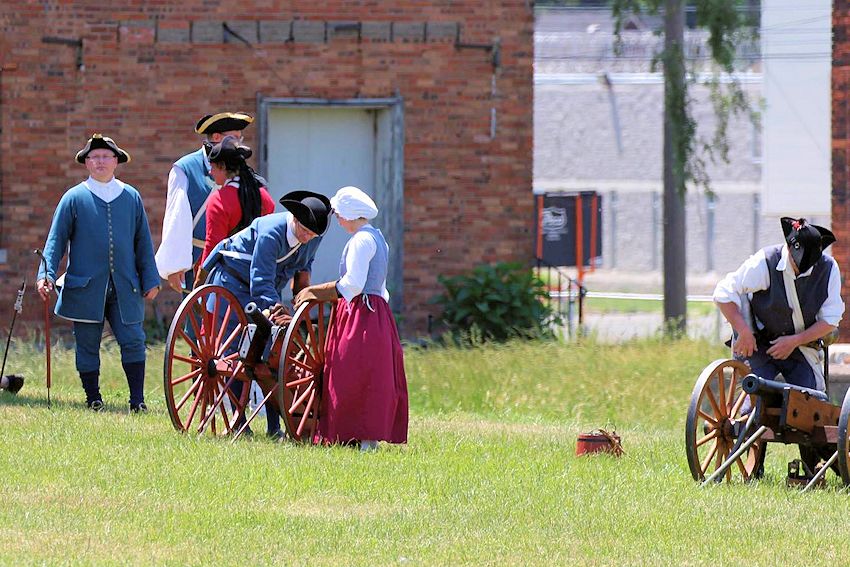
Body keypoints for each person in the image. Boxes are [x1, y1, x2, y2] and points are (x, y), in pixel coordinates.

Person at [36, 134, 160, 412]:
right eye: (94, 157)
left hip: (125, 285)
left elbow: (143, 241)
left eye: (106, 156)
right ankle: (93, 398)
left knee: (134, 340)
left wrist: (151, 279)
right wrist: (44, 274)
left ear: (116, 161)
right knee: (88, 345)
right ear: (86, 163)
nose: (100, 161)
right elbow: (55, 241)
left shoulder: (131, 196)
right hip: (85, 286)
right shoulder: (74, 197)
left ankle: (137, 400)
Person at [200, 190, 332, 437]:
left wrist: (300, 309)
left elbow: (303, 272)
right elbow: (260, 279)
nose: (307, 237)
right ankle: (239, 421)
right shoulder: (272, 232)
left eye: (312, 234)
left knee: (271, 354)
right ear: (293, 218)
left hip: (268, 287)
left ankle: (275, 427)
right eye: (304, 230)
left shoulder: (313, 238)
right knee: (236, 354)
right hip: (234, 281)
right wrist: (274, 312)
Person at [294, 185, 408, 451]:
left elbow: (353, 285)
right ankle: (365, 437)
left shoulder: (360, 241)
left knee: (352, 371)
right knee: (372, 373)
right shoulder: (378, 237)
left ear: (348, 213)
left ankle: (359, 435)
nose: (336, 219)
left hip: (360, 313)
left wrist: (313, 291)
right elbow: (379, 287)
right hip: (377, 312)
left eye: (338, 214)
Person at [714, 217, 844, 393]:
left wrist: (794, 341)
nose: (800, 270)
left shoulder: (828, 269)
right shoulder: (765, 261)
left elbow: (830, 320)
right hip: (756, 343)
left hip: (800, 346)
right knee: (753, 398)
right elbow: (724, 293)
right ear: (789, 249)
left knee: (809, 400)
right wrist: (743, 331)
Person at [156, 111, 254, 294]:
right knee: (196, 320)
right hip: (194, 257)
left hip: (231, 258)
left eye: (240, 138)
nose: (239, 143)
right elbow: (176, 217)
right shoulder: (185, 168)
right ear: (216, 137)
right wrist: (175, 265)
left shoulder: (239, 168)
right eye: (234, 138)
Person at [196, 136, 275, 273]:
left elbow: (213, 245)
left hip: (230, 276)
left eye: (213, 167)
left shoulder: (219, 200)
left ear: (223, 167)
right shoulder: (264, 196)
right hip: (261, 271)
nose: (210, 172)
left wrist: (201, 279)